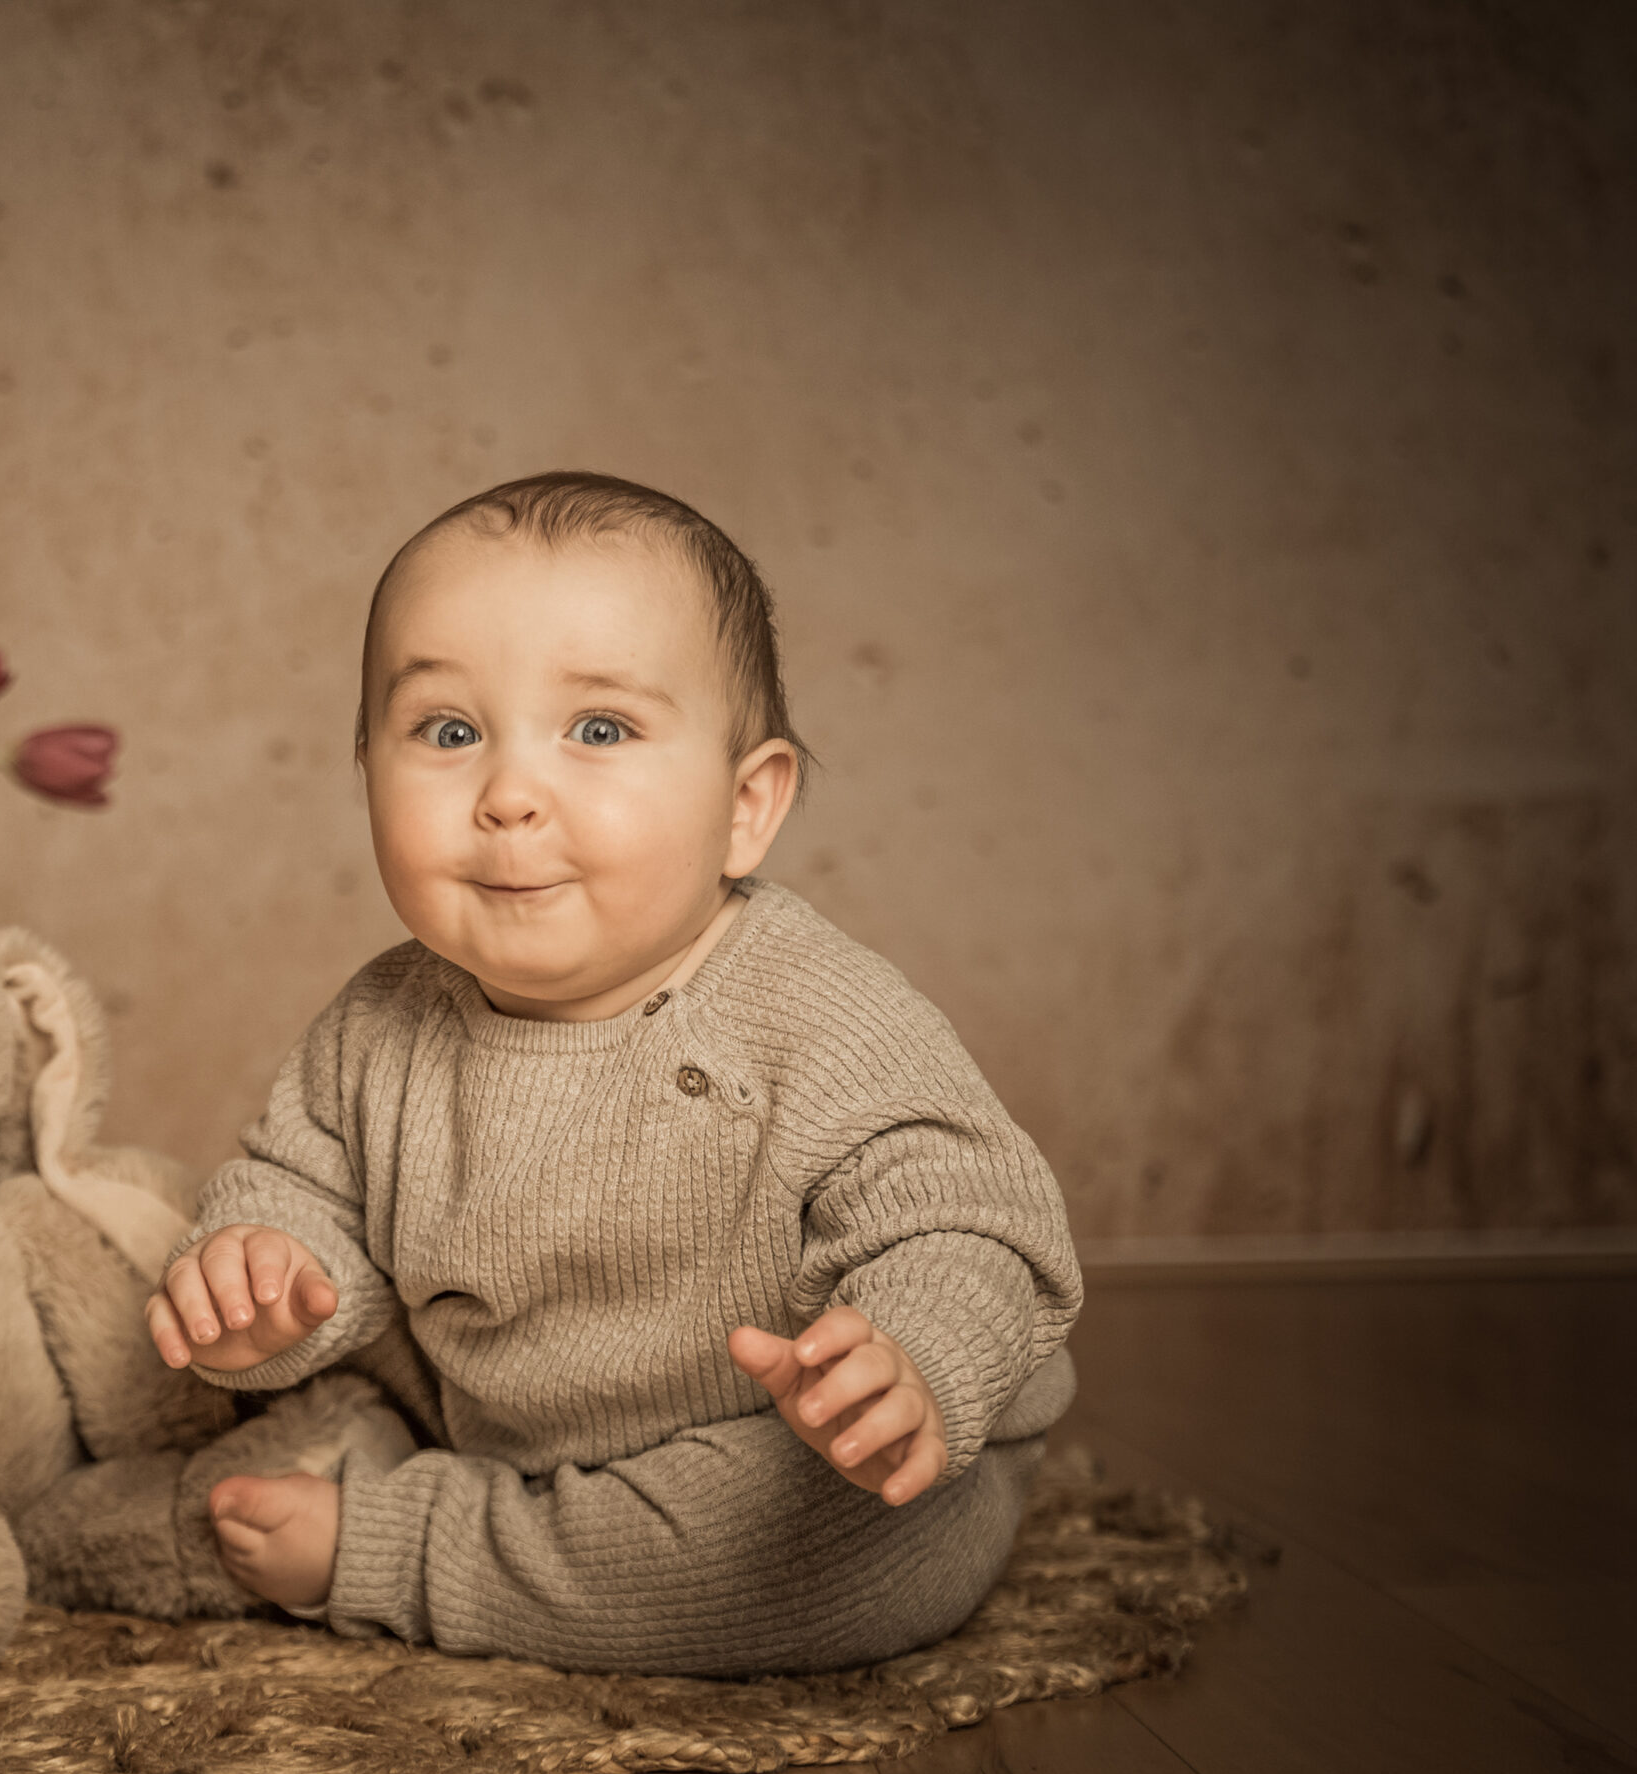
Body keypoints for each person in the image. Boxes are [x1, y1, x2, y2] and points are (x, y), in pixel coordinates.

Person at [144, 472, 1081, 1678]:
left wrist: (911, 1359)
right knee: (252, 1406)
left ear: (746, 807)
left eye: (598, 731)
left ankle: (408, 1546)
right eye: (447, 731)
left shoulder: (814, 1010)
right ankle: (473, 1507)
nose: (509, 795)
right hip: (514, 1425)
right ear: (363, 764)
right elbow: (302, 1198)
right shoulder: (377, 1025)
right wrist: (259, 1283)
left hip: (800, 1446)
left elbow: (970, 1217)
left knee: (784, 1546)